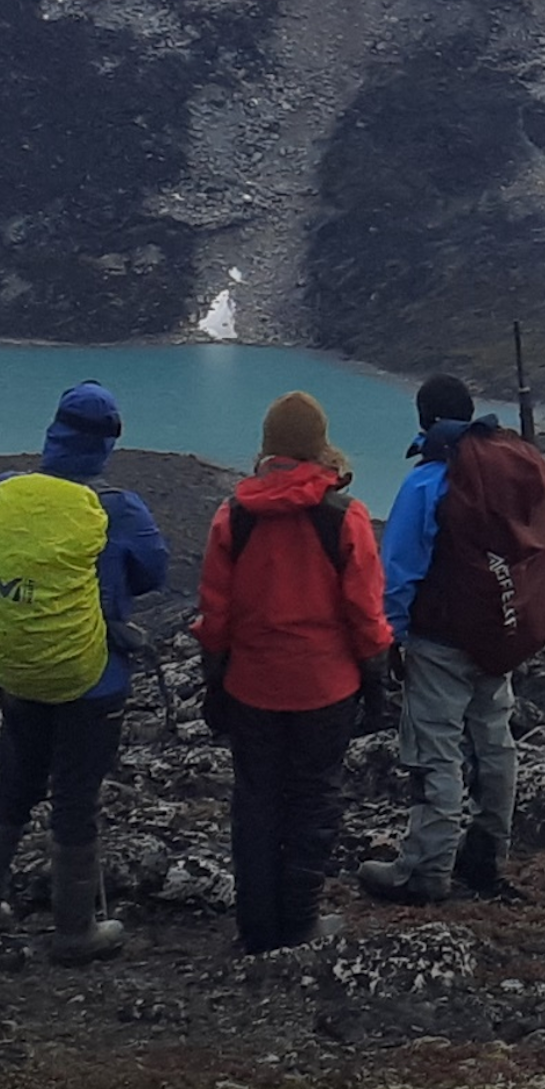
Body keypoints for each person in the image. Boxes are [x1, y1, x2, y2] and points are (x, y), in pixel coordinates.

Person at [0, 382, 168, 963]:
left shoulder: (5, 492)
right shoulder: (117, 507)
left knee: (13, 785)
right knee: (76, 798)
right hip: (89, 678)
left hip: (17, 668)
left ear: (53, 432)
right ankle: (76, 931)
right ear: (105, 445)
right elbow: (154, 570)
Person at [193, 391, 395, 954]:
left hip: (252, 687)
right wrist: (375, 677)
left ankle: (255, 928)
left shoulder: (233, 516)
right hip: (326, 688)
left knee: (256, 801)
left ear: (268, 448)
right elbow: (365, 612)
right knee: (313, 800)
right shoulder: (344, 517)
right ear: (318, 447)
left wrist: (215, 680)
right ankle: (300, 922)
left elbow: (216, 614)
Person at [359, 372, 545, 904]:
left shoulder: (429, 481)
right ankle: (485, 857)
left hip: (440, 641)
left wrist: (391, 637)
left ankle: (425, 870)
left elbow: (401, 571)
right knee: (494, 744)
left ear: (425, 421)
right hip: (500, 633)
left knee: (436, 752)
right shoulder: (511, 468)